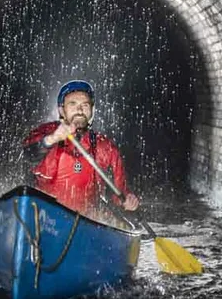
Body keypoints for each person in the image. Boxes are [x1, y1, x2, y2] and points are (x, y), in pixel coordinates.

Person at [22, 80, 140, 217]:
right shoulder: (45, 132)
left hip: (85, 220)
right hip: (44, 216)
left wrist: (128, 200)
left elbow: (120, 191)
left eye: (85, 105)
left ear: (92, 111)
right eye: (73, 104)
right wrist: (52, 139)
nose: (79, 110)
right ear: (62, 110)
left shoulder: (106, 147)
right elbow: (29, 154)